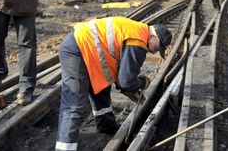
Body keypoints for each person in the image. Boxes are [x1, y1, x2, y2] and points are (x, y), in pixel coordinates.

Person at [55, 16, 173, 151]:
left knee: (101, 87)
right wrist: (139, 83)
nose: (154, 51)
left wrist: (126, 85)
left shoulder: (138, 32)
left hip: (88, 49)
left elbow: (120, 72)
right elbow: (126, 80)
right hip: (77, 49)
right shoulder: (138, 40)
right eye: (158, 47)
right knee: (74, 103)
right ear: (154, 36)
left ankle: (106, 125)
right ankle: (64, 148)